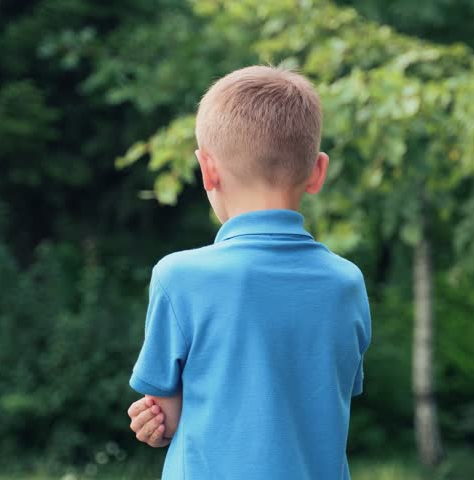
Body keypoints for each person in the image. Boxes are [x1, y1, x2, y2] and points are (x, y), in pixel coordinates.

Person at [126, 65, 371, 479]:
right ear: (317, 171)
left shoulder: (179, 277)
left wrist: (154, 425)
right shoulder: (346, 284)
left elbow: (164, 414)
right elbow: (326, 397)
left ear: (208, 169)